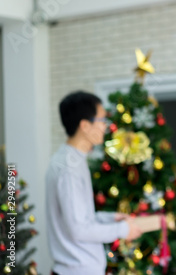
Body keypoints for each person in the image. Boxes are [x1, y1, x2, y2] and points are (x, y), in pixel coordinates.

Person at [45, 91, 142, 275]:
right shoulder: (68, 167)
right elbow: (79, 229)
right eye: (102, 120)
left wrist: (110, 218)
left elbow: (79, 218)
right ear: (85, 125)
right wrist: (122, 230)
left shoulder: (73, 160)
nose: (106, 126)